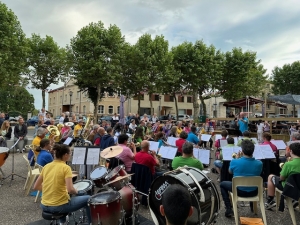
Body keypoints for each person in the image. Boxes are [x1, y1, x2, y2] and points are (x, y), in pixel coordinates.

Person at [34, 144, 91, 224]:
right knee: (89, 198)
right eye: (70, 154)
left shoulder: (46, 166)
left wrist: (51, 189)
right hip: (58, 206)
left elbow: (36, 186)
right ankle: (91, 223)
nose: (70, 156)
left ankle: (62, 222)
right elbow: (70, 189)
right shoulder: (66, 168)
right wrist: (78, 192)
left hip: (44, 205)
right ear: (65, 155)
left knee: (64, 198)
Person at [220, 140, 263, 217]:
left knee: (222, 184)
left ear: (242, 151)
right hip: (254, 191)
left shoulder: (234, 162)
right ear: (253, 151)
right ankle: (252, 207)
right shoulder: (259, 163)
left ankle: (229, 208)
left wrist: (237, 159)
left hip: (239, 191)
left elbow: (230, 172)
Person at [265, 142, 300, 210]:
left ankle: (270, 200)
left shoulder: (289, 164)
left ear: (291, 151)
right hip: (298, 186)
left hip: (289, 186)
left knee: (270, 177)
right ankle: (293, 200)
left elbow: (282, 178)